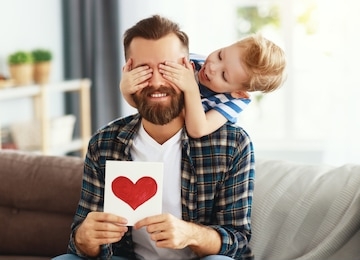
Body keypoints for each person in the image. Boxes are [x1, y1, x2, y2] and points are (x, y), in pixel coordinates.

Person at [53, 14, 255, 260]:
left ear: (188, 69)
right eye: (144, 71)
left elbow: (238, 241)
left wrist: (191, 234)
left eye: (167, 68)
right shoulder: (104, 142)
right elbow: (82, 245)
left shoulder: (232, 144)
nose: (157, 82)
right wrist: (84, 237)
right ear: (127, 73)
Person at [121, 34, 286, 138]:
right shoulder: (192, 61)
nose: (213, 67)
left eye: (224, 75)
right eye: (221, 55)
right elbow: (147, 105)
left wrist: (190, 87)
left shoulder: (236, 102)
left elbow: (197, 130)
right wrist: (127, 90)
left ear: (238, 92)